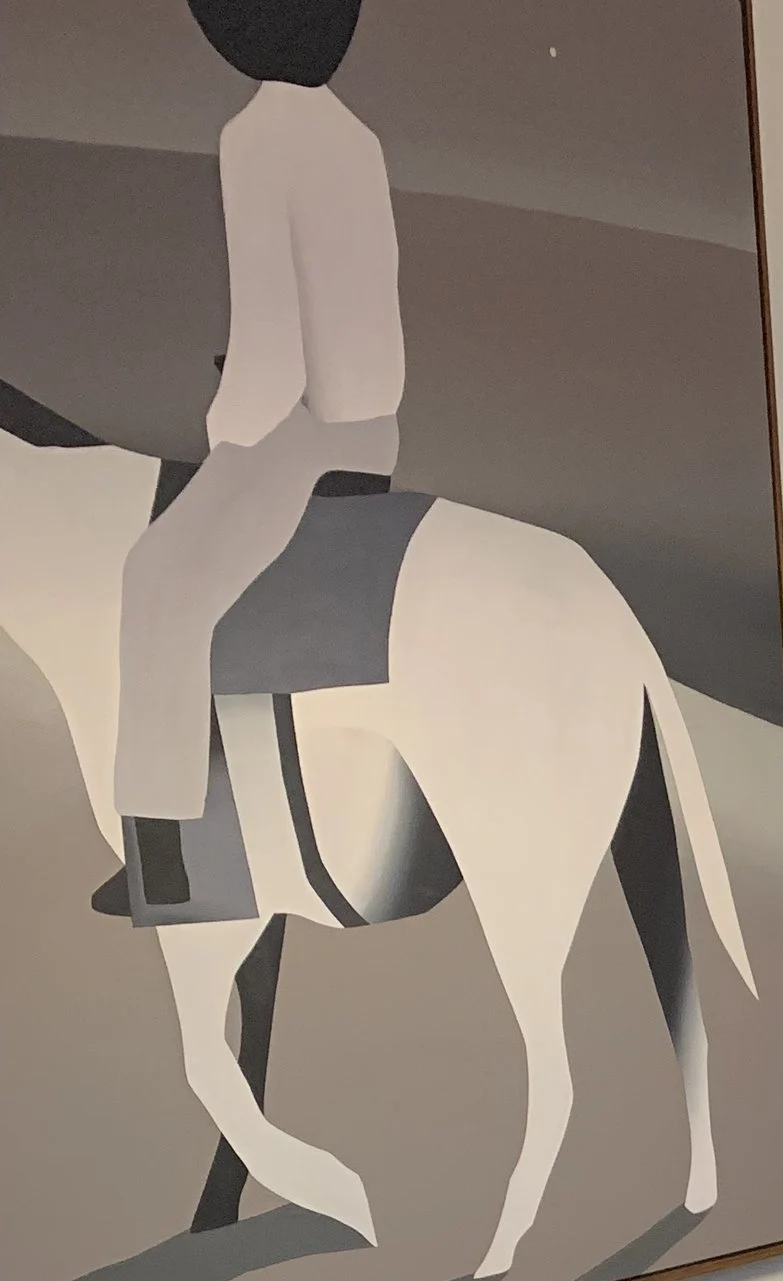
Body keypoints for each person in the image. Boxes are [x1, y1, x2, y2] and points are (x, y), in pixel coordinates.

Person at [115, 0, 402, 909]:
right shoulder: (359, 137)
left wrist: (222, 422)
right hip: (376, 430)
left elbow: (271, 353)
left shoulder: (254, 135)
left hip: (301, 443)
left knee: (155, 577)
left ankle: (164, 854)